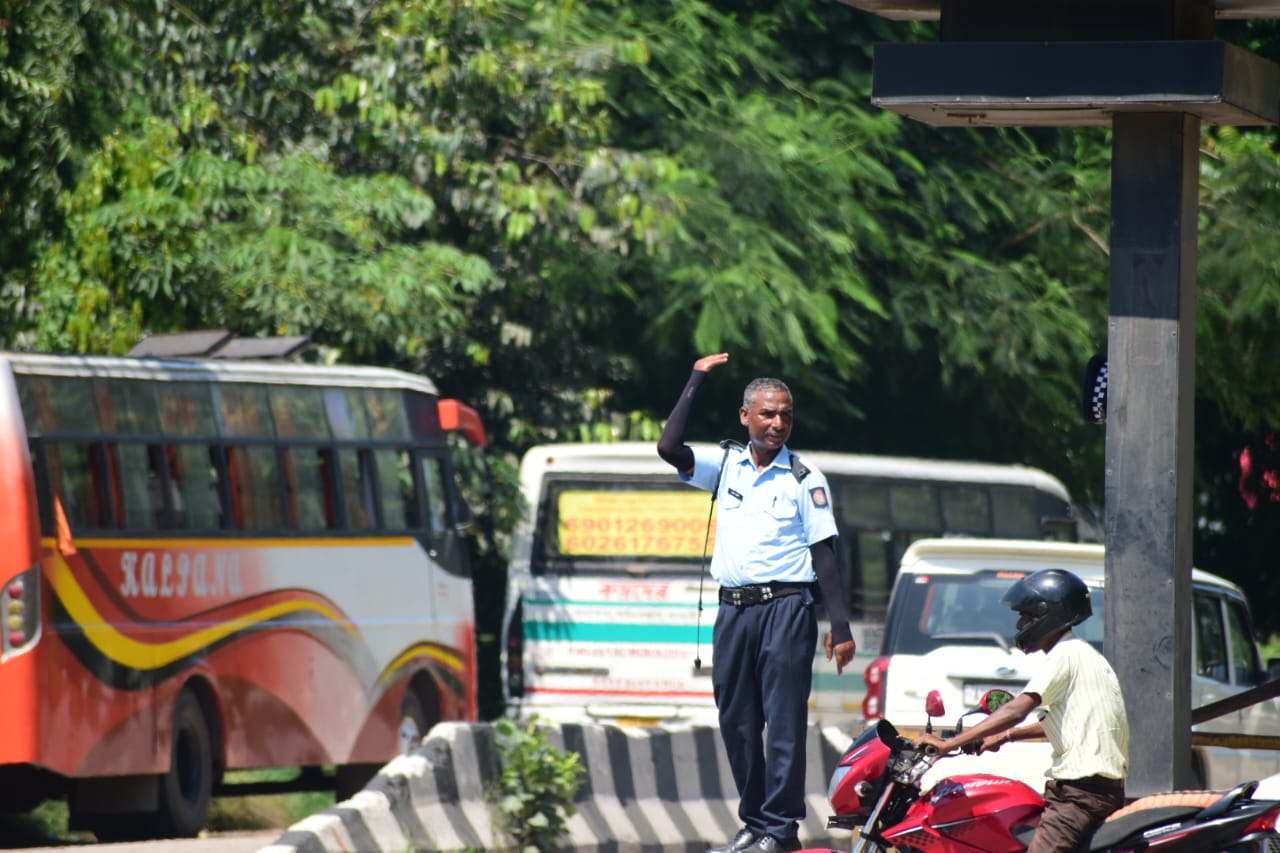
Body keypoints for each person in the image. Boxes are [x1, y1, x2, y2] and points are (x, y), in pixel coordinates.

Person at [656, 352, 857, 853]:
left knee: (783, 721)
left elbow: (824, 554)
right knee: (737, 720)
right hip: (733, 612)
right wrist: (696, 377)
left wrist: (841, 626)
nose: (778, 423)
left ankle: (781, 827)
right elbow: (668, 446)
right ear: (745, 416)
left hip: (787, 608)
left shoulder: (804, 478)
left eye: (786, 414)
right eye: (767, 414)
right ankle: (756, 823)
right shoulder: (725, 465)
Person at [914, 568, 1129, 853]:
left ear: (1047, 615)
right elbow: (1067, 722)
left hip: (1079, 796)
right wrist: (1006, 737)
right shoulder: (1085, 655)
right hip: (1095, 790)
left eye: (1025, 616)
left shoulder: (1064, 655)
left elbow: (1018, 707)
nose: (1019, 625)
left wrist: (948, 744)